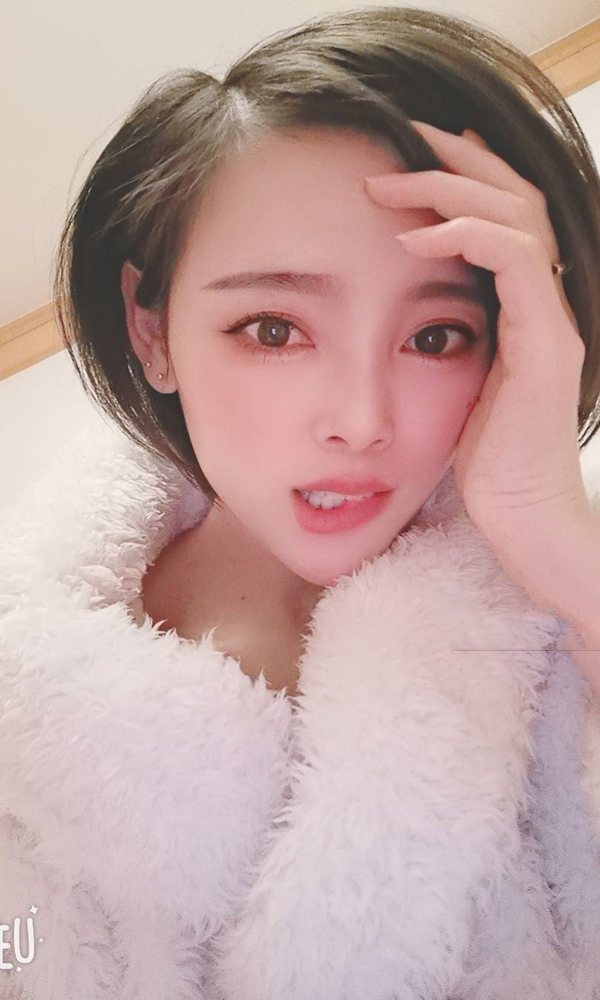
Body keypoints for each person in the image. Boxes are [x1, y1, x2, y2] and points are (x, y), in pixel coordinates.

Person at [2, 5, 600, 998]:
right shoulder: (24, 691)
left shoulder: (558, 620)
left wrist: (560, 542)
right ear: (151, 330)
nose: (362, 421)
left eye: (437, 336)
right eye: (274, 329)